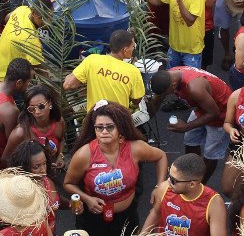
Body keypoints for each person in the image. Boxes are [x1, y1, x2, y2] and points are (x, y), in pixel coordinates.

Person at [63, 101, 167, 236]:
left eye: (110, 127)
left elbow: (160, 157)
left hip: (127, 216)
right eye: (99, 127)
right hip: (94, 219)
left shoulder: (135, 148)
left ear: (120, 128)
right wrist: (87, 199)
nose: (104, 131)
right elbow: (68, 184)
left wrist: (160, 186)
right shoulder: (84, 154)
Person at [151, 66, 232, 182]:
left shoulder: (194, 88)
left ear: (173, 86)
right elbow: (160, 95)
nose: (168, 96)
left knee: (210, 153)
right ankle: (191, 175)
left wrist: (186, 126)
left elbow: (214, 113)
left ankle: (200, 185)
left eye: (167, 94)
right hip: (201, 107)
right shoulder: (170, 75)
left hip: (220, 114)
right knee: (190, 140)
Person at [141, 153, 226, 236]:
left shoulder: (214, 203)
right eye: (169, 176)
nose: (169, 182)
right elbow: (156, 213)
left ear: (192, 184)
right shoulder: (164, 188)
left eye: (174, 180)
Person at [142, 0, 206, 68]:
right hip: (174, 47)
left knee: (189, 81)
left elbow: (190, 21)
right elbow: (159, 1)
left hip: (191, 50)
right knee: (172, 81)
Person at [63, 29, 145, 110]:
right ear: (125, 50)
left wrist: (88, 80)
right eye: (133, 46)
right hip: (118, 119)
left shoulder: (92, 60)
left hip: (95, 119)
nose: (133, 48)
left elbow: (67, 85)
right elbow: (137, 99)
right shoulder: (133, 71)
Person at [0, 0, 52, 83]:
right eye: (45, 18)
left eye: (51, 16)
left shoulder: (22, 9)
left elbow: (7, 18)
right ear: (35, 14)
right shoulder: (31, 39)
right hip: (3, 82)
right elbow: (40, 71)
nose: (49, 21)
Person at [1, 85, 66, 167]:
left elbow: (61, 140)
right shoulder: (21, 133)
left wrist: (60, 155)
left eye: (41, 106)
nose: (37, 112)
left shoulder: (59, 122)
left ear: (50, 104)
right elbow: (5, 159)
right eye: (32, 109)